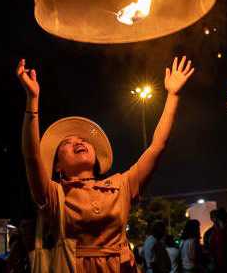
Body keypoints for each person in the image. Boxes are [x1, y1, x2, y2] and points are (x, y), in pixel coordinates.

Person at [16, 56, 195, 273]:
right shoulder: (54, 195)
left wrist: (173, 95)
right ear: (57, 167)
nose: (78, 142)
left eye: (82, 140)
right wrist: (32, 100)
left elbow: (157, 146)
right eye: (67, 143)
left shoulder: (121, 185)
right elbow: (31, 156)